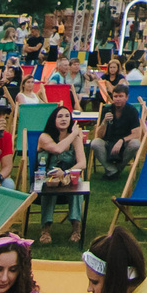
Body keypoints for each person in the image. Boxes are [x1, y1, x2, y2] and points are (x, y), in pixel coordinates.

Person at [31, 104, 88, 244]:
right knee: (49, 186)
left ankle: (76, 228)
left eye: (67, 116)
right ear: (53, 120)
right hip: (45, 177)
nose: (64, 119)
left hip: (67, 178)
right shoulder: (45, 137)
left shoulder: (75, 138)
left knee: (78, 185)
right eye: (60, 116)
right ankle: (45, 229)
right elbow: (57, 149)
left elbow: (82, 163)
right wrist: (74, 134)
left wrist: (67, 172)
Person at [91, 92, 144, 184]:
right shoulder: (107, 110)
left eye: (121, 96)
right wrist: (104, 122)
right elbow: (99, 135)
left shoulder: (132, 111)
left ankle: (116, 169)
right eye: (115, 96)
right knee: (95, 143)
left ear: (126, 97)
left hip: (125, 144)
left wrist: (121, 141)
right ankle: (112, 170)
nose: (118, 99)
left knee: (135, 143)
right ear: (112, 98)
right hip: (108, 143)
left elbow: (137, 134)